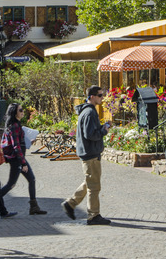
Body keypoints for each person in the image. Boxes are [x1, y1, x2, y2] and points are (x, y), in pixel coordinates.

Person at [61, 85, 112, 225]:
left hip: (89, 152)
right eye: (100, 95)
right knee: (94, 186)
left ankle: (71, 203)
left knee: (90, 181)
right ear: (92, 96)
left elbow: (90, 131)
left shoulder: (87, 111)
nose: (102, 98)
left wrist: (102, 127)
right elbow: (90, 134)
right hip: (90, 153)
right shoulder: (89, 113)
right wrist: (104, 131)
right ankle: (93, 215)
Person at [0, 103, 48, 216]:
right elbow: (16, 146)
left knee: (29, 180)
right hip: (17, 159)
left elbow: (17, 143)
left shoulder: (14, 124)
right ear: (14, 112)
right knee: (12, 184)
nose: (22, 112)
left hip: (17, 158)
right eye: (20, 110)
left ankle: (34, 207)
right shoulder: (15, 125)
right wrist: (23, 162)